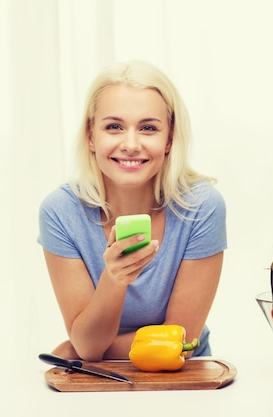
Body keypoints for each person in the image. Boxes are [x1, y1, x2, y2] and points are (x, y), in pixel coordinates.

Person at [37, 60, 227, 361]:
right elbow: (90, 346)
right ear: (90, 136)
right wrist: (114, 279)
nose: (130, 144)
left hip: (183, 382)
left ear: (169, 139)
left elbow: (182, 343)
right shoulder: (60, 212)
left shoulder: (201, 207)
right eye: (114, 127)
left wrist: (81, 350)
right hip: (98, 383)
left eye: (148, 128)